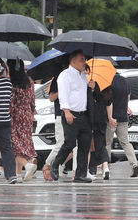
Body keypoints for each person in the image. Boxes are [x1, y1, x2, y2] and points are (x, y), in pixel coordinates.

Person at [48, 51, 93, 183]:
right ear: (73, 62)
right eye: (81, 60)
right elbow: (63, 95)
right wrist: (66, 111)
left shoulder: (82, 76)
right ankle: (55, 164)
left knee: (85, 144)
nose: (84, 62)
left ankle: (80, 174)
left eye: (84, 59)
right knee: (70, 143)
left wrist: (91, 87)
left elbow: (83, 94)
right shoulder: (64, 75)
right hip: (70, 113)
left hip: (83, 114)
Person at [8, 60, 37, 182]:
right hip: (27, 114)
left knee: (14, 145)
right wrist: (31, 112)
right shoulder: (29, 80)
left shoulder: (12, 82)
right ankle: (18, 174)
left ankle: (27, 165)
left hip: (15, 115)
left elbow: (11, 102)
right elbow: (32, 99)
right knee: (23, 144)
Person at [42, 56, 70, 179]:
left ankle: (60, 166)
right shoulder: (57, 79)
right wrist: (62, 91)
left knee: (71, 144)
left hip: (72, 115)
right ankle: (47, 164)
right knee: (60, 143)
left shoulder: (72, 79)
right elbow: (51, 97)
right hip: (60, 115)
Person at [106, 73, 138, 177]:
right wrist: (125, 107)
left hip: (111, 117)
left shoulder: (109, 82)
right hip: (123, 117)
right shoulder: (125, 81)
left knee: (107, 143)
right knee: (125, 142)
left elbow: (109, 102)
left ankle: (106, 167)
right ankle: (134, 164)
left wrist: (110, 117)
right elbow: (128, 97)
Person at [87, 76, 112, 181]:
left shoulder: (94, 83)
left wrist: (93, 89)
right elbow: (109, 102)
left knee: (90, 144)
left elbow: (100, 99)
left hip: (93, 118)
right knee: (100, 144)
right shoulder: (106, 82)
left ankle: (89, 169)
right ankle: (105, 167)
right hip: (102, 118)